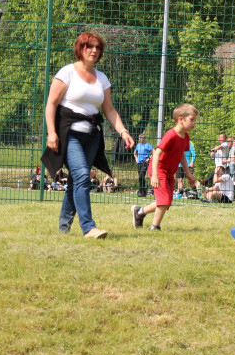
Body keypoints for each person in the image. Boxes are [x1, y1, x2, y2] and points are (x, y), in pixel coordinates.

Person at [42, 32, 135, 239]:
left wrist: (123, 131)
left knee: (77, 180)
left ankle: (64, 227)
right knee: (83, 176)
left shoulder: (102, 78)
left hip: (92, 136)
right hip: (70, 135)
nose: (94, 51)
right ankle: (89, 227)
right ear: (80, 49)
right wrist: (51, 132)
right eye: (89, 47)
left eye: (97, 48)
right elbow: (51, 104)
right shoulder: (67, 73)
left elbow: (109, 110)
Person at [131, 104, 199, 230]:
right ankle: (155, 227)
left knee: (166, 202)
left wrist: (188, 174)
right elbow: (156, 154)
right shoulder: (171, 135)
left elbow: (182, 156)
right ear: (180, 119)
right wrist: (155, 175)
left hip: (169, 172)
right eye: (192, 120)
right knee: (164, 200)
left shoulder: (186, 137)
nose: (194, 123)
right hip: (159, 169)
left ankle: (139, 212)